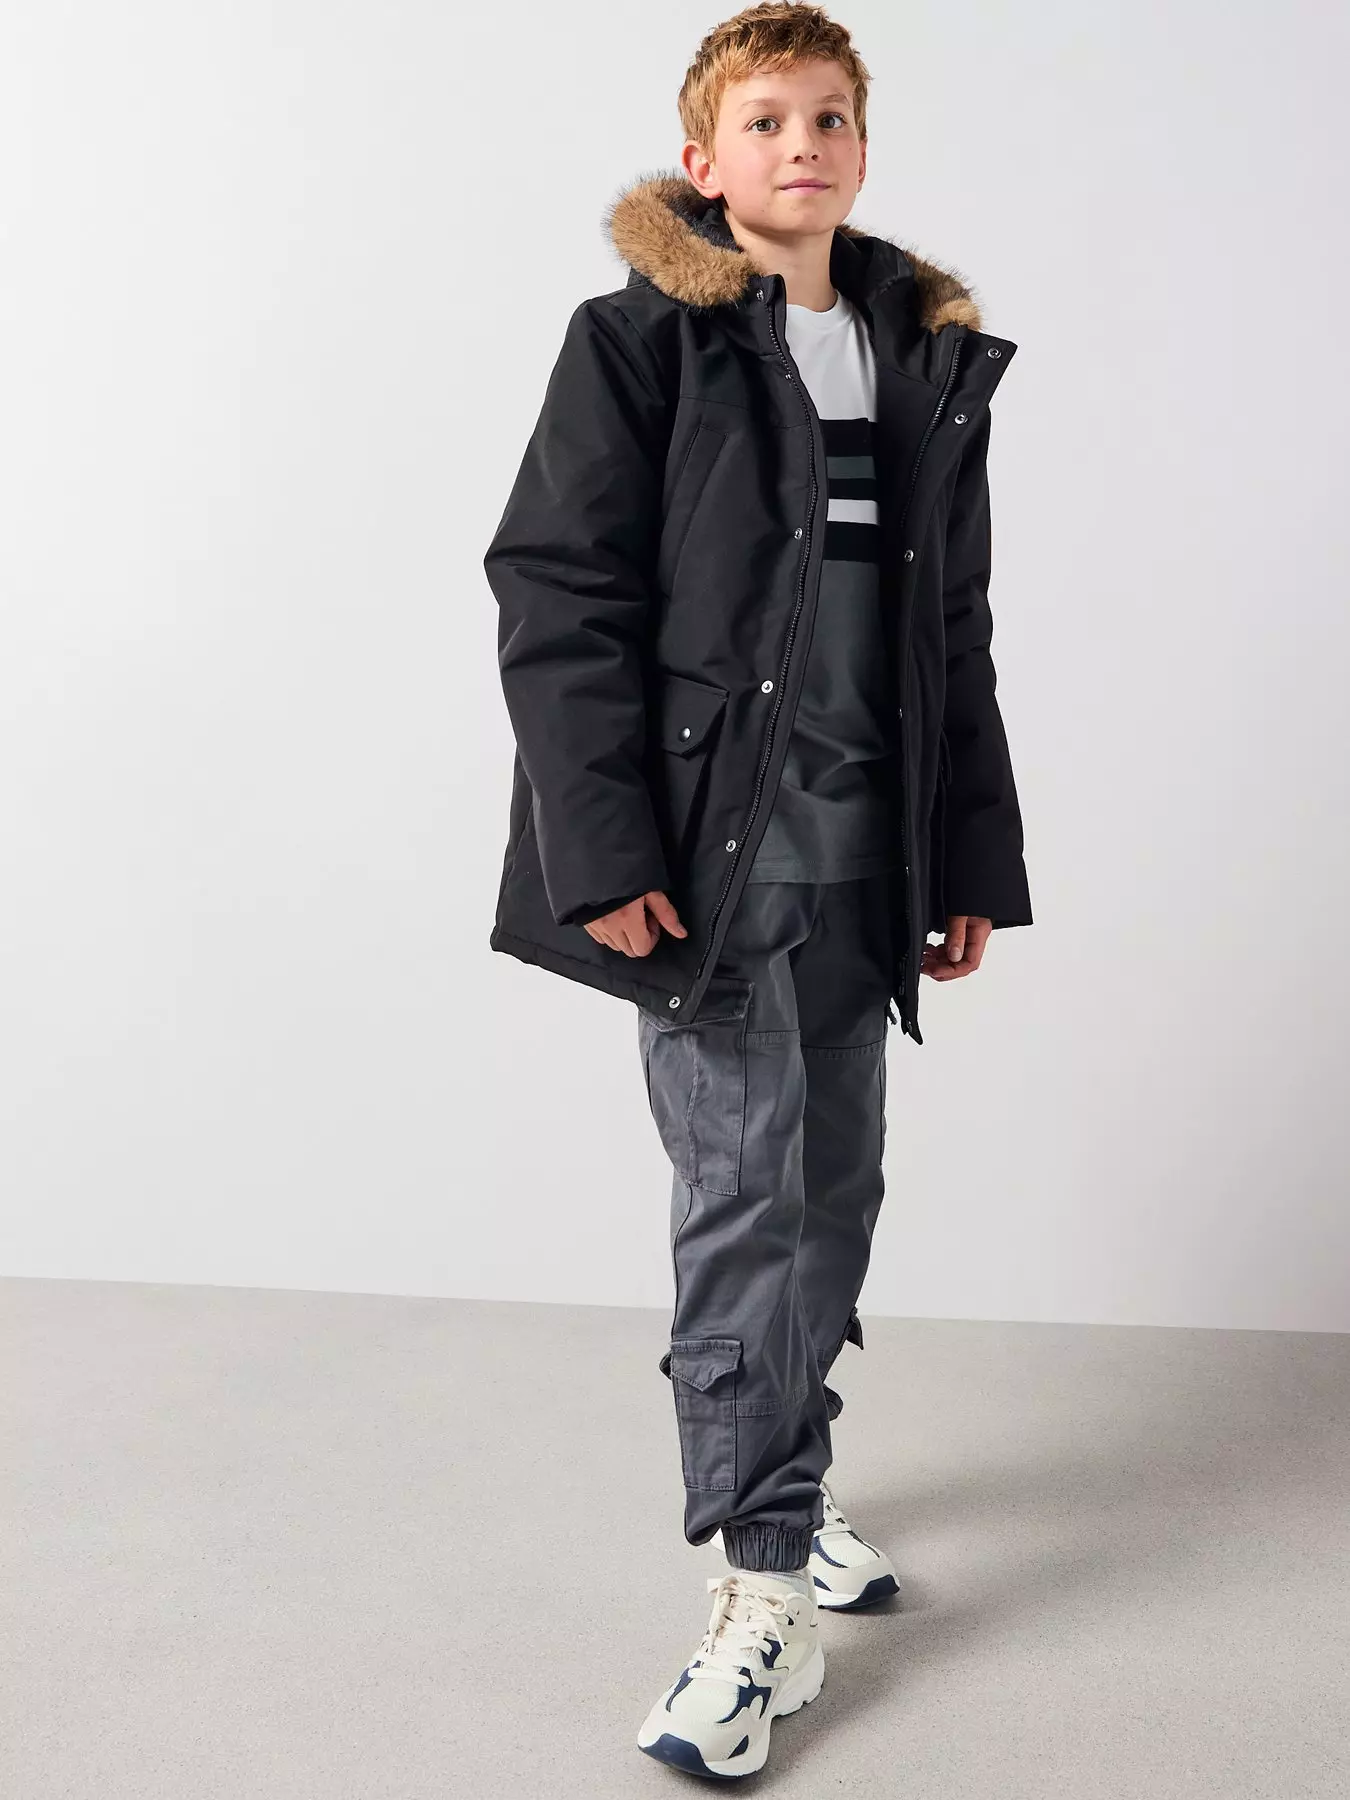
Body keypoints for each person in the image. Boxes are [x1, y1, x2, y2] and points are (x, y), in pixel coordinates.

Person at [482, 2, 1033, 1777]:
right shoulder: (638, 343)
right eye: (767, 120)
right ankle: (759, 1584)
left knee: (834, 1193)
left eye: (831, 117)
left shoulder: (916, 354)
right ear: (702, 161)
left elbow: (950, 630)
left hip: (870, 860)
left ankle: (784, 1483)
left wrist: (968, 853)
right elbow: (558, 599)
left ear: (862, 150)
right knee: (744, 1203)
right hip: (708, 872)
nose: (803, 145)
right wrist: (602, 857)